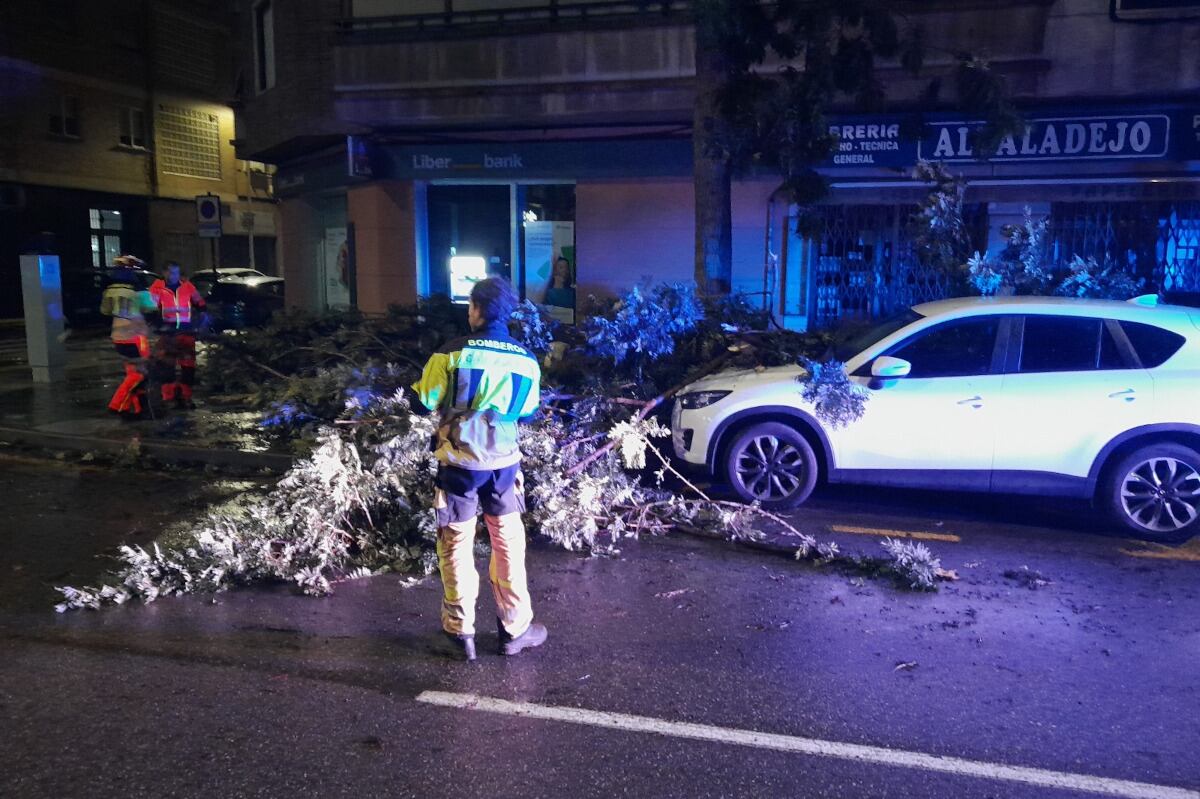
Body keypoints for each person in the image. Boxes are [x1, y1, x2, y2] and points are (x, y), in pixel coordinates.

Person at [411, 277, 545, 661]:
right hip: (503, 467)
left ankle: (460, 633)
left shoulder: (450, 355)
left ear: (477, 310)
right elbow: (528, 411)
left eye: (470, 306)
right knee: (507, 542)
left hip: (458, 466)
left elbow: (423, 403)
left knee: (455, 542)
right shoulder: (525, 359)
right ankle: (515, 629)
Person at [100, 255, 158, 418]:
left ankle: (137, 408)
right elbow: (151, 307)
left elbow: (105, 311)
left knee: (132, 372)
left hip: (118, 335)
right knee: (139, 374)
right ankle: (117, 405)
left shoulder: (110, 290)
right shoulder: (137, 289)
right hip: (136, 335)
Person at [149, 262, 206, 409]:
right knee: (167, 367)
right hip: (167, 333)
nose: (175, 276)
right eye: (172, 272)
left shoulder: (187, 287)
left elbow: (200, 303)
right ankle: (169, 397)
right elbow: (150, 309)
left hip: (186, 331)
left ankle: (186, 396)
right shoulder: (156, 289)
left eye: (177, 273)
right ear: (165, 273)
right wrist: (158, 325)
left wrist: (201, 318)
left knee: (188, 367)